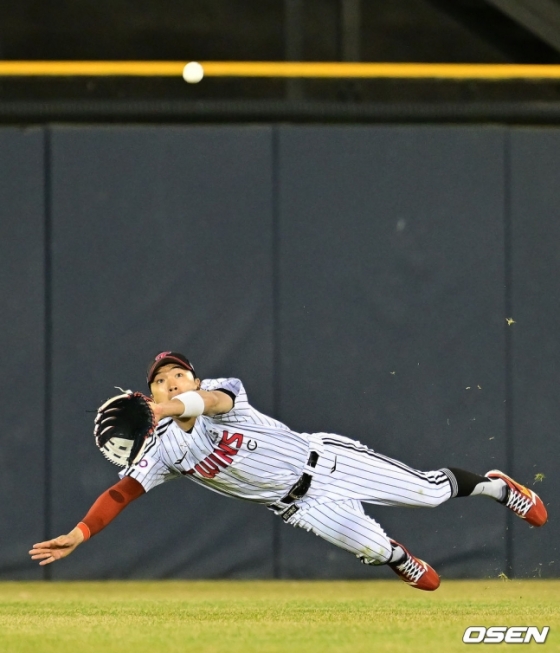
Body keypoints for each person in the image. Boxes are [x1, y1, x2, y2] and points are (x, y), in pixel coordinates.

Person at [30, 351, 547, 590]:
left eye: (179, 374)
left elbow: (206, 401)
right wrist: (80, 533)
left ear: (193, 377)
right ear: (150, 390)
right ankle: (397, 556)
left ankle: (496, 488)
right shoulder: (163, 451)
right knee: (373, 549)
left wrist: (164, 407)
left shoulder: (221, 394)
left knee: (431, 494)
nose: (172, 381)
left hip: (331, 463)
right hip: (300, 506)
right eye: (161, 379)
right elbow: (121, 493)